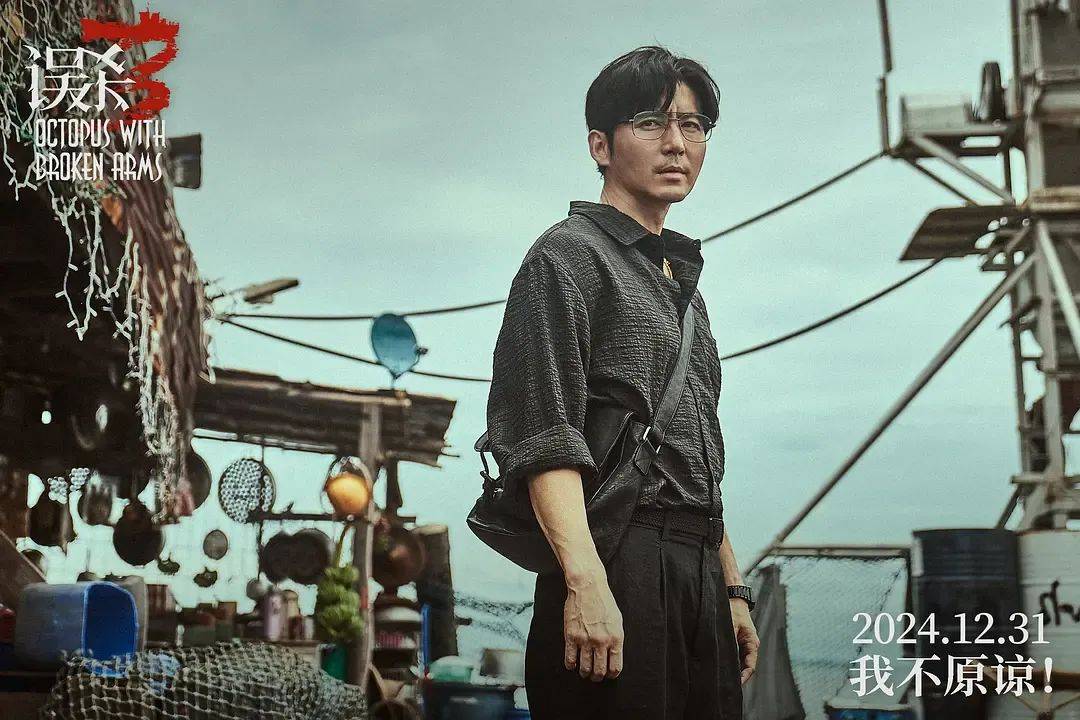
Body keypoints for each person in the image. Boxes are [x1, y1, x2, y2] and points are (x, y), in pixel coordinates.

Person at [484, 45, 759, 719]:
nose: (677, 143)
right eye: (651, 123)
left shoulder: (685, 290)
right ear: (600, 146)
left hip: (697, 570)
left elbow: (693, 456)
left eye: (692, 125)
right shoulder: (567, 256)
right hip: (617, 560)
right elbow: (544, 436)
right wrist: (585, 583)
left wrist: (730, 589)